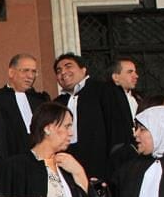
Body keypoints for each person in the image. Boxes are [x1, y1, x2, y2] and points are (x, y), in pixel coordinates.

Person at [53, 53, 135, 182]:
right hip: (68, 171)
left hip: (104, 168)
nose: (63, 72)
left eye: (68, 66)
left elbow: (119, 130)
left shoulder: (106, 90)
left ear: (83, 69)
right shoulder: (57, 103)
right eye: (59, 70)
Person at [0, 54, 51, 153]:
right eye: (25, 70)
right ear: (11, 72)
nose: (30, 76)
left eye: (33, 72)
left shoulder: (40, 101)